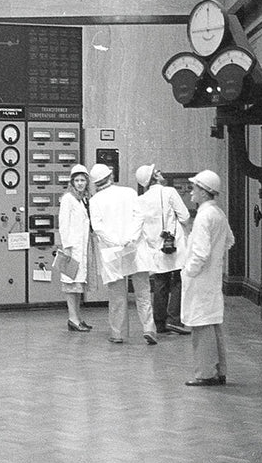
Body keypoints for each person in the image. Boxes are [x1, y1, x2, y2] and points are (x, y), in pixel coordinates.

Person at [88, 163, 158, 345]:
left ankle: (117, 333)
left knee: (117, 297)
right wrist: (130, 238)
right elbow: (139, 216)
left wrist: (116, 242)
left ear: (95, 183)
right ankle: (149, 328)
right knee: (143, 293)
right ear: (111, 176)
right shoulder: (129, 192)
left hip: (113, 253)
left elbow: (98, 227)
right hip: (135, 248)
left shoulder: (95, 201)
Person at [180, 170, 235, 386]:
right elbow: (229, 240)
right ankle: (219, 370)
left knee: (201, 325)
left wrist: (189, 271)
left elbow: (200, 253)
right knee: (212, 324)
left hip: (201, 278)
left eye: (194, 188)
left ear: (204, 192)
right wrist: (216, 257)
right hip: (212, 277)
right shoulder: (218, 213)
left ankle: (205, 373)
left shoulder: (204, 216)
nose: (191, 191)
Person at [135, 164, 192, 335]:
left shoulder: (141, 200)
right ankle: (174, 319)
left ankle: (159, 323)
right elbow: (185, 217)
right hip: (174, 243)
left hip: (155, 246)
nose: (160, 173)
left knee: (160, 282)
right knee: (179, 280)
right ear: (154, 177)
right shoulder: (169, 192)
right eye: (157, 172)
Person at [58, 164, 92, 332]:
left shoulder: (82, 199)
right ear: (72, 182)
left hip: (81, 248)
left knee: (78, 285)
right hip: (72, 249)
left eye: (82, 180)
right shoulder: (67, 199)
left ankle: (77, 318)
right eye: (77, 180)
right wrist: (67, 247)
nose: (80, 183)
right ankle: (72, 318)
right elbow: (63, 224)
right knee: (71, 285)